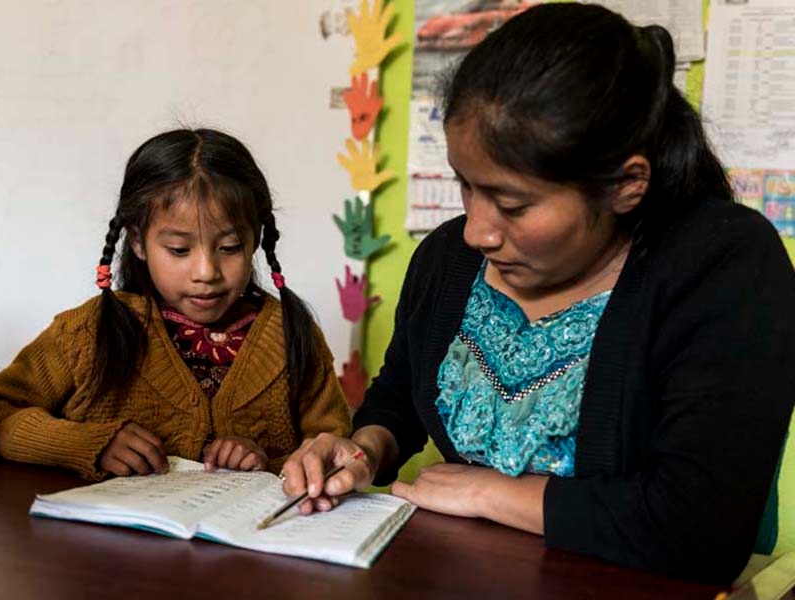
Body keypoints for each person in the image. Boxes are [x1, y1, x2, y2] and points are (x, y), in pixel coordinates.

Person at [280, 3, 795, 583]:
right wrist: (364, 449)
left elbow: (700, 529)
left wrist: (492, 494)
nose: (476, 230)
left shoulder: (722, 265)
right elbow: (401, 393)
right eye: (465, 186)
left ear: (626, 184)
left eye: (513, 204)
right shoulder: (450, 258)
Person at [0, 128, 350, 480]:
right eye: (179, 250)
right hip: (103, 537)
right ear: (137, 241)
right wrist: (86, 444)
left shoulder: (292, 336)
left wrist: (268, 465)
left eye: (229, 247)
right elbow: (1, 410)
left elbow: (334, 448)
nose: (206, 271)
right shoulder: (87, 333)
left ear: (254, 239)